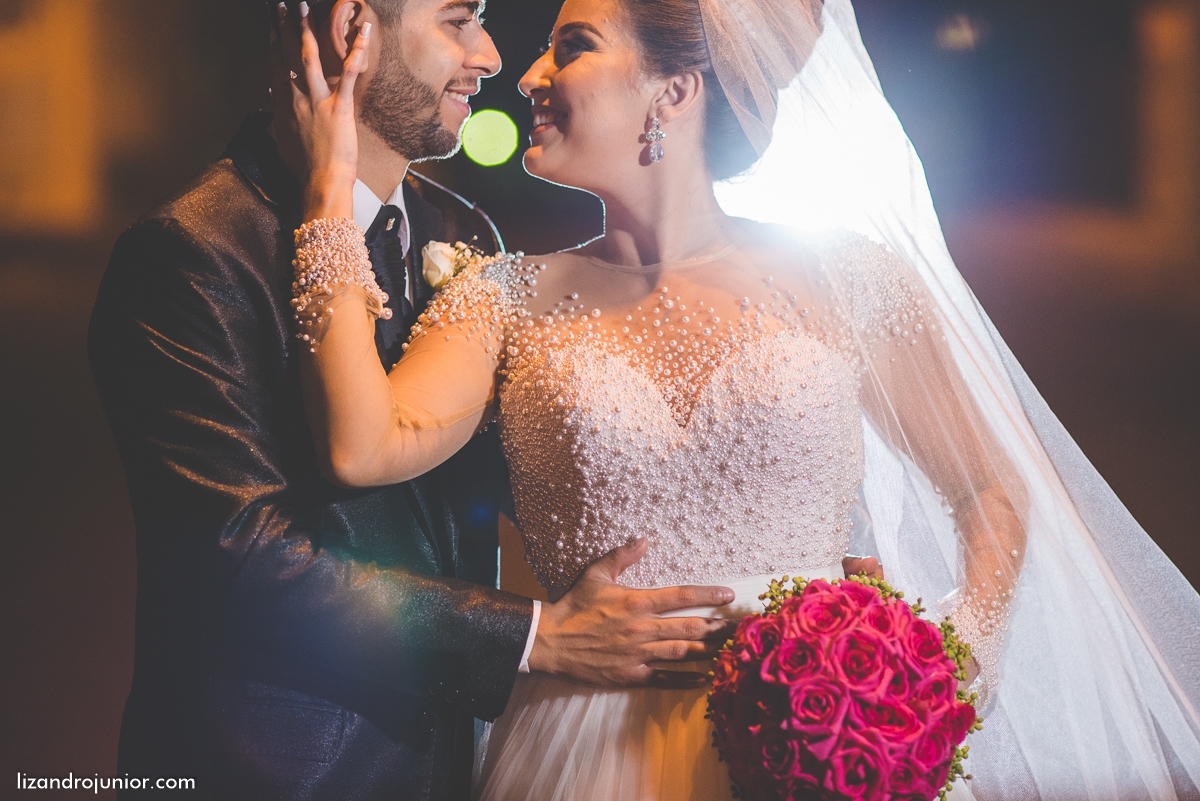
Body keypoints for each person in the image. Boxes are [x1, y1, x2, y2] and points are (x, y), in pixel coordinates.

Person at [281, 0, 1200, 798]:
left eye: (573, 45)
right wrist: (330, 199)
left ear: (673, 92)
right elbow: (362, 446)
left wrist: (945, 667)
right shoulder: (500, 299)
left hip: (821, 748)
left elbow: (990, 494)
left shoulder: (846, 280)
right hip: (583, 752)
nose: (527, 72)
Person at [86, 1, 747, 798]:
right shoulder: (194, 254)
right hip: (284, 769)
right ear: (350, 29)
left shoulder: (459, 229)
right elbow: (239, 557)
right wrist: (531, 635)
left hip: (461, 762)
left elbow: (546, 473)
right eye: (459, 21)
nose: (492, 55)